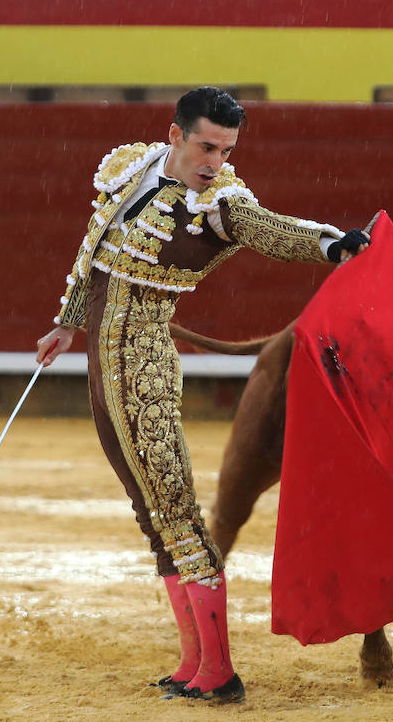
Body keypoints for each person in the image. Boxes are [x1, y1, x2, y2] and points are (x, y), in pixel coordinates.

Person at [32, 87, 369, 705]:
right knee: (149, 510)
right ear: (175, 135)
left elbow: (274, 231)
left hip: (144, 367)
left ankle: (219, 670)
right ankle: (193, 659)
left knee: (177, 511)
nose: (215, 160)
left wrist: (332, 244)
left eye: (227, 149)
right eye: (206, 146)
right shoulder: (132, 169)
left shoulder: (221, 205)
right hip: (101, 365)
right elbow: (94, 253)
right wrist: (67, 321)